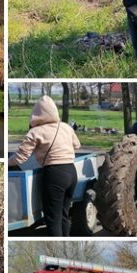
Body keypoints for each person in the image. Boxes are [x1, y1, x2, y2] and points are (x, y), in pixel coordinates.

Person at [9, 95, 81, 236]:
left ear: (36, 115)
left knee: (53, 219)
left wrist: (7, 163)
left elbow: (20, 157)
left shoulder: (35, 132)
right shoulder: (66, 127)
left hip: (54, 174)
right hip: (72, 172)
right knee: (64, 214)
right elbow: (77, 146)